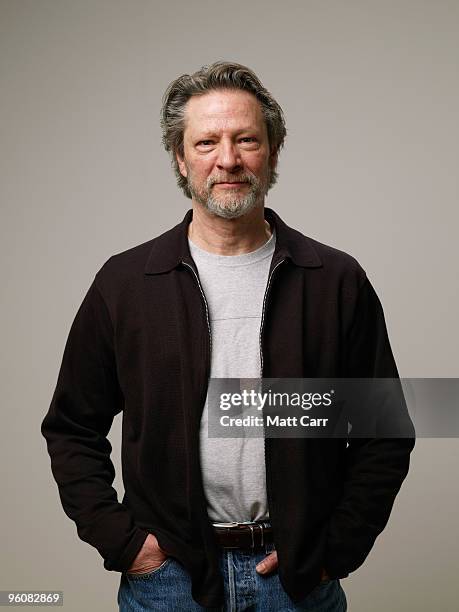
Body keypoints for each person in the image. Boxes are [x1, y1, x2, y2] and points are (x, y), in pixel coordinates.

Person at [41, 61, 415, 611]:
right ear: (180, 157)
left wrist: (338, 546)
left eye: (246, 140)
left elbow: (383, 433)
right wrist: (123, 542)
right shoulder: (125, 284)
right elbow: (72, 428)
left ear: (273, 152)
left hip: (298, 581)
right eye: (207, 142)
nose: (228, 159)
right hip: (169, 582)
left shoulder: (336, 281)